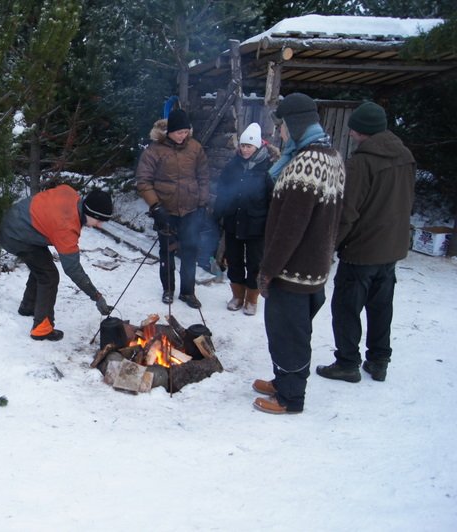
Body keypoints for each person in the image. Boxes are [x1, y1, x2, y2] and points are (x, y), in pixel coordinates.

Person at [251, 93, 345, 415]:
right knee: (294, 331)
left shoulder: (305, 164)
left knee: (288, 334)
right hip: (313, 266)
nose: (279, 133)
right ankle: (283, 381)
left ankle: (290, 398)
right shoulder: (331, 156)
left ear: (295, 124)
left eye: (282, 126)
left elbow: (289, 228)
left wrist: (268, 270)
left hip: (293, 270)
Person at [316, 102, 416, 383]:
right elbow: (409, 199)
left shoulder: (361, 163)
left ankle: (347, 363)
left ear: (364, 131)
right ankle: (379, 361)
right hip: (391, 248)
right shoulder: (405, 156)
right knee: (381, 306)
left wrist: (330, 247)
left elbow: (347, 211)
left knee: (346, 308)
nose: (350, 133)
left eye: (354, 129)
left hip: (362, 250)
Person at [0, 185, 114, 341]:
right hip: (16, 236)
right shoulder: (66, 228)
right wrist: (96, 296)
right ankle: (41, 329)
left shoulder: (70, 193)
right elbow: (73, 269)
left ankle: (28, 306)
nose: (99, 225)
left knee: (42, 267)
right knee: (49, 276)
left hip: (17, 222)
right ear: (90, 213)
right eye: (99, 220)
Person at [136, 107, 210, 308]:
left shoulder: (195, 148)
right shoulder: (154, 151)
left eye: (185, 132)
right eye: (179, 132)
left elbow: (203, 177)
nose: (182, 136)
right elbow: (143, 181)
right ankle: (168, 289)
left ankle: (188, 292)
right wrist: (155, 206)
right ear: (169, 131)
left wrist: (202, 203)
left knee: (190, 251)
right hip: (165, 211)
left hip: (190, 210)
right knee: (167, 251)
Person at [214, 122, 274, 315]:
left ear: (258, 146)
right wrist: (218, 215)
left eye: (249, 146)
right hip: (234, 221)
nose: (245, 149)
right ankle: (238, 295)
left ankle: (251, 299)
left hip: (257, 225)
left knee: (255, 263)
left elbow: (273, 199)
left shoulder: (267, 169)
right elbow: (222, 191)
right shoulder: (232, 167)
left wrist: (271, 225)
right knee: (234, 260)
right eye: (242, 145)